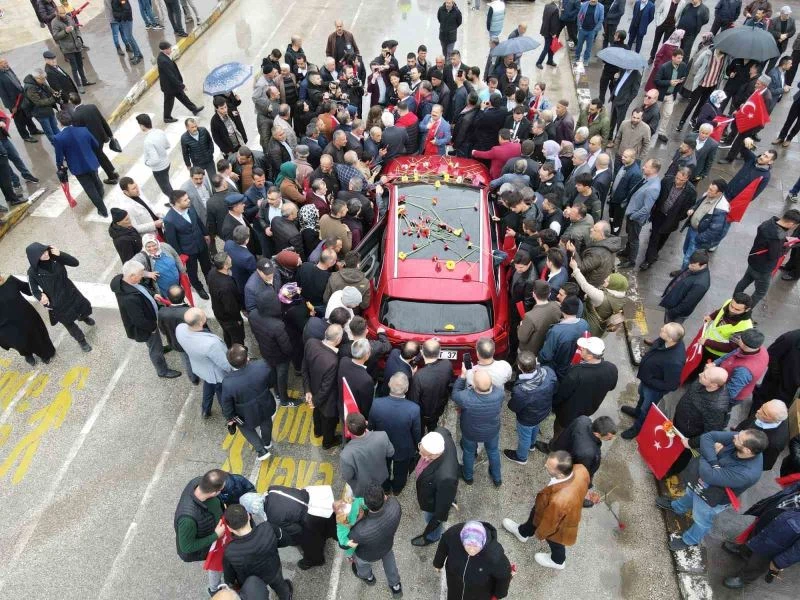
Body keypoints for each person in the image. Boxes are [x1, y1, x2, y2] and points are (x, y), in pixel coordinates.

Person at [657, 430, 768, 551]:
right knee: (690, 493)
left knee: (701, 519)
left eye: (738, 438)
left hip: (714, 496)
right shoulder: (744, 441)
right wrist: (713, 462)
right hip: (702, 481)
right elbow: (708, 436)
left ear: (747, 450)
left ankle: (690, 540)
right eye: (739, 434)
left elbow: (708, 476)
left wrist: (710, 454)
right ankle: (678, 507)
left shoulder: (747, 473)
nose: (734, 436)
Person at [502, 450, 591, 569]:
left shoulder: (558, 501)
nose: (545, 465)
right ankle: (523, 532)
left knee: (554, 538)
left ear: (560, 474)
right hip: (567, 511)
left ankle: (557, 561)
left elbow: (549, 524)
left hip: (556, 517)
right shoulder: (581, 469)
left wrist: (541, 534)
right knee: (535, 519)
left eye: (549, 467)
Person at [620, 322, 686, 439]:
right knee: (641, 398)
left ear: (670, 339)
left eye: (664, 330)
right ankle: (637, 412)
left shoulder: (675, 361)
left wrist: (650, 381)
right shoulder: (666, 341)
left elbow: (672, 385)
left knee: (646, 409)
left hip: (654, 389)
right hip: (646, 380)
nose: (661, 328)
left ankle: (637, 428)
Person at [26, 243, 93, 353]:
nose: (46, 254)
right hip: (56, 301)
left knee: (81, 308)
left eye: (45, 250)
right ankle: (81, 341)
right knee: (68, 323)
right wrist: (40, 296)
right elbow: (33, 290)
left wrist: (61, 254)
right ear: (34, 258)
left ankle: (84, 317)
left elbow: (75, 263)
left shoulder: (56, 257)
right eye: (42, 254)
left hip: (70, 291)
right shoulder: (32, 272)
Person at [221, 504, 292, 600]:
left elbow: (229, 578)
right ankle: (286, 597)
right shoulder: (267, 527)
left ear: (229, 528)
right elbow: (286, 540)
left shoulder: (229, 551)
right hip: (273, 570)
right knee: (281, 587)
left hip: (251, 583)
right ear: (248, 516)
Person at [722, 502, 800, 589]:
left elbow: (797, 552)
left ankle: (745, 578)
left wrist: (779, 563)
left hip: (776, 547)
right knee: (754, 541)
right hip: (777, 528)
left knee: (758, 563)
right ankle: (743, 552)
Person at [174, 470, 227, 595]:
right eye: (221, 490)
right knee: (218, 563)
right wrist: (216, 535)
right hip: (209, 541)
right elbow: (187, 547)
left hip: (213, 528)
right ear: (213, 492)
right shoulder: (188, 520)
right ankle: (214, 590)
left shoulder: (198, 483)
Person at [733, 210, 800, 308]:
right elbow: (774, 255)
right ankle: (745, 310)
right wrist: (787, 246)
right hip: (763, 269)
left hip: (753, 260)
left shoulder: (768, 223)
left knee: (745, 281)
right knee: (760, 292)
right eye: (795, 225)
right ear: (791, 223)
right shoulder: (777, 237)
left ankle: (734, 300)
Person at [552, 337, 618, 434]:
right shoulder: (612, 368)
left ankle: (555, 443)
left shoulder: (576, 373)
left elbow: (561, 395)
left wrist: (553, 405)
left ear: (590, 356)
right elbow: (612, 387)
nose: (581, 349)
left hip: (567, 414)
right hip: (589, 410)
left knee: (560, 432)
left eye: (584, 349)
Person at [220, 345, 275, 462]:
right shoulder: (262, 365)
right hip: (265, 403)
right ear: (247, 358)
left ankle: (261, 450)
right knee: (266, 421)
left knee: (245, 427)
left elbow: (227, 404)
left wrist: (230, 417)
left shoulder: (228, 382)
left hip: (244, 413)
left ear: (230, 363)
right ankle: (267, 442)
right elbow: (271, 382)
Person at [369, 373, 422, 495]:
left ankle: (386, 489)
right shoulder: (414, 409)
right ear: (407, 389)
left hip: (382, 445)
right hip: (403, 447)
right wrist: (417, 446)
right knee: (401, 471)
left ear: (389, 384)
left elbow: (371, 426)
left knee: (383, 468)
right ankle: (397, 489)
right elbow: (416, 432)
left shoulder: (376, 404)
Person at [433, 520, 512, 600]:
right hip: (454, 584)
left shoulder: (494, 555)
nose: (471, 550)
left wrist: (498, 595)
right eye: (468, 544)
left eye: (476, 546)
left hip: (478, 594)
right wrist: (438, 563)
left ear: (482, 541)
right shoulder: (453, 534)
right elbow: (443, 545)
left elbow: (504, 576)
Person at [347, 484, 403, 596]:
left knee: (362, 565)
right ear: (384, 497)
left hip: (367, 555)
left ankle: (369, 578)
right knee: (390, 562)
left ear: (366, 504)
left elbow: (348, 544)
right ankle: (395, 585)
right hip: (387, 545)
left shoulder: (359, 530)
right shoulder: (395, 505)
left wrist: (357, 519)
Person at [503, 351, 558, 465]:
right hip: (543, 411)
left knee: (524, 437)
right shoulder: (549, 372)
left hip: (527, 418)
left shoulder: (521, 390)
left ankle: (521, 457)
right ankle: (532, 445)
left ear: (519, 367)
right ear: (536, 362)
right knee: (535, 427)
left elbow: (514, 407)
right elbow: (555, 389)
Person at [177, 308, 232, 417]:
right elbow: (225, 364)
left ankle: (205, 410)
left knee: (208, 385)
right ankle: (228, 414)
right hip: (216, 374)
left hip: (201, 368)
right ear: (201, 322)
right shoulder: (211, 344)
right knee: (222, 393)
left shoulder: (180, 329)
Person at [452, 369, 504, 486]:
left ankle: (468, 477)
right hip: (492, 431)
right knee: (493, 451)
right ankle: (497, 478)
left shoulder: (465, 397)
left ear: (474, 384)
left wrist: (463, 376)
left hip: (470, 432)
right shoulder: (500, 394)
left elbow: (455, 393)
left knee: (469, 452)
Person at [640, 168, 697, 270]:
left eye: (681, 180)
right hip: (659, 214)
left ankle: (655, 253)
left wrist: (678, 217)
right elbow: (658, 195)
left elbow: (688, 207)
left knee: (663, 237)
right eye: (677, 178)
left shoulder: (691, 192)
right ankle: (648, 260)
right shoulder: (667, 181)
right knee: (654, 237)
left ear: (687, 179)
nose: (678, 181)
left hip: (672, 219)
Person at [53, 112, 108, 217]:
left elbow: (59, 156)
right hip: (91, 162)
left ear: (59, 122)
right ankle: (100, 195)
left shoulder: (58, 138)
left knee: (89, 189)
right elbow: (95, 144)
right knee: (96, 180)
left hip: (77, 167)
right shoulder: (83, 130)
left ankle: (103, 210)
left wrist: (59, 166)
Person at [411, 428, 459, 547]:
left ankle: (433, 537)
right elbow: (447, 432)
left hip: (432, 504)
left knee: (431, 518)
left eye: (426, 455)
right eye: (421, 451)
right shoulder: (441, 432)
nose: (422, 457)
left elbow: (441, 511)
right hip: (432, 488)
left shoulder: (446, 477)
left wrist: (436, 521)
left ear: (437, 454)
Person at [164, 189, 211, 300]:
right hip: (188, 251)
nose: (188, 200)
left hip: (201, 244)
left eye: (187, 198)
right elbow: (172, 240)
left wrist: (205, 234)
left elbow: (198, 221)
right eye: (185, 200)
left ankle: (210, 282)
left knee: (207, 266)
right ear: (176, 203)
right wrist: (180, 255)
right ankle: (199, 288)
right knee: (192, 272)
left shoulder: (190, 208)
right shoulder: (169, 220)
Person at [0, 273, 56, 366]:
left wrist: (41, 291)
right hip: (7, 324)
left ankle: (44, 353)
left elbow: (28, 289)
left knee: (37, 336)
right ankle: (27, 354)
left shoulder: (10, 280)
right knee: (18, 342)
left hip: (27, 316)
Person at [303, 324, 343, 449]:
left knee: (317, 414)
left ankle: (317, 432)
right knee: (329, 422)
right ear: (338, 340)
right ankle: (327, 443)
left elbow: (305, 367)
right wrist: (315, 402)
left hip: (313, 391)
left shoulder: (310, 343)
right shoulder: (333, 361)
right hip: (326, 400)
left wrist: (307, 390)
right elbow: (326, 388)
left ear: (326, 332)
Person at [676, 179, 729, 271]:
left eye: (711, 190)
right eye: (709, 188)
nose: (708, 191)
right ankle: (684, 270)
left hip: (698, 236)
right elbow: (697, 204)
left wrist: (698, 238)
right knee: (685, 250)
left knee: (689, 258)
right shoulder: (707, 195)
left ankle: (682, 274)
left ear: (719, 193)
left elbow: (714, 231)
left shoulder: (721, 209)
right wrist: (693, 209)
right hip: (692, 230)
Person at [618, 158, 662, 269]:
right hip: (632, 213)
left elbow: (646, 209)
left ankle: (631, 260)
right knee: (630, 235)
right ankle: (627, 251)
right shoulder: (648, 179)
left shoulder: (653, 188)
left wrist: (633, 216)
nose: (643, 167)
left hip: (636, 218)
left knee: (634, 239)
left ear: (653, 169)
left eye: (646, 166)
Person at [407, 339, 454, 434]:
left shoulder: (418, 376)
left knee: (419, 431)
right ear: (439, 352)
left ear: (422, 353)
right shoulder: (447, 364)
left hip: (423, 415)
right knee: (433, 427)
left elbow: (413, 401)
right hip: (438, 410)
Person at [570, 266, 628, 338]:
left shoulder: (601, 297)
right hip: (600, 326)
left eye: (608, 281)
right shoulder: (620, 296)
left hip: (588, 324)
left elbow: (584, 285)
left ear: (614, 285)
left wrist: (575, 269)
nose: (604, 280)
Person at [714, 328, 769, 406]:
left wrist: (713, 398)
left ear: (743, 344)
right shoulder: (759, 348)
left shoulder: (743, 371)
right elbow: (733, 353)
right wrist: (715, 363)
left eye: (740, 337)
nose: (738, 337)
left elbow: (729, 393)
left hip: (730, 396)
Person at [539, 296, 590, 379]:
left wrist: (538, 359)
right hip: (575, 366)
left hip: (558, 369)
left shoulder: (556, 331)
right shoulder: (584, 324)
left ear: (562, 310)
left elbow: (546, 356)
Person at [733, 400, 789, 471]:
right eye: (762, 407)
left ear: (774, 419)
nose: (758, 411)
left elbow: (766, 464)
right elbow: (752, 420)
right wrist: (739, 428)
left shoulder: (775, 443)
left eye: (765, 413)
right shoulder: (764, 413)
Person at [157, 285, 198, 384]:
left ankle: (193, 378)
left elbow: (162, 329)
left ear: (168, 297)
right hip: (192, 342)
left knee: (186, 360)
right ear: (183, 296)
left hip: (176, 342)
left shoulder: (162, 312)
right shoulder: (189, 311)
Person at [752, 329, 800, 411]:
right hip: (776, 383)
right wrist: (777, 376)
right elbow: (771, 355)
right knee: (763, 404)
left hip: (793, 389)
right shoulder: (791, 338)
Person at [657, 250, 711, 323]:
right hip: (672, 305)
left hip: (676, 314)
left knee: (670, 328)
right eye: (690, 263)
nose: (689, 266)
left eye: (693, 265)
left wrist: (671, 313)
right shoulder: (694, 267)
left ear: (703, 265)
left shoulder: (701, 284)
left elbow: (687, 304)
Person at [157, 40, 203, 123]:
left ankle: (194, 109)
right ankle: (167, 117)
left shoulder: (165, 56)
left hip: (173, 85)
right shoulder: (162, 60)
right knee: (169, 102)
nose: (171, 49)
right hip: (169, 86)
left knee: (183, 97)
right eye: (169, 48)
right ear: (165, 50)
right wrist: (181, 85)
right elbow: (170, 75)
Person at [51, 6, 93, 93]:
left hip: (77, 46)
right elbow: (55, 36)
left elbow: (76, 28)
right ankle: (79, 86)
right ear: (57, 13)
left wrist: (78, 37)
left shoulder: (69, 18)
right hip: (68, 49)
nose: (63, 15)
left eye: (64, 13)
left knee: (80, 64)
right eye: (61, 14)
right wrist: (65, 31)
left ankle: (84, 81)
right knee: (74, 68)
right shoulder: (54, 22)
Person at [207, 252, 244, 348]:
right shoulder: (226, 286)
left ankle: (229, 346)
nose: (231, 259)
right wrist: (237, 320)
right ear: (225, 266)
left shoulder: (212, 272)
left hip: (218, 311)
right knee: (237, 338)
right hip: (229, 318)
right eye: (229, 259)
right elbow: (231, 307)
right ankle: (238, 353)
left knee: (227, 333)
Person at [517, 280, 562, 355]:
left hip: (530, 353)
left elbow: (522, 338)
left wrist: (521, 326)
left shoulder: (529, 316)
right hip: (545, 348)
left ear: (533, 294)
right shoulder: (557, 306)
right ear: (549, 294)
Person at [653, 48, 689, 142]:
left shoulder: (683, 66)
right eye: (678, 58)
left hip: (671, 95)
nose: (680, 60)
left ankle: (661, 132)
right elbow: (656, 81)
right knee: (655, 114)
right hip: (660, 95)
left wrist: (681, 81)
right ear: (673, 57)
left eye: (681, 58)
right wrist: (669, 82)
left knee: (668, 114)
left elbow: (684, 76)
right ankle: (650, 129)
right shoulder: (664, 67)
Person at [110, 0, 144, 64]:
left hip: (126, 20)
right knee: (130, 38)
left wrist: (122, 18)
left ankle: (137, 56)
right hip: (122, 20)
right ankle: (139, 54)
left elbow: (127, 9)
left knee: (129, 38)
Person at [575, 0, 606, 65]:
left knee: (589, 47)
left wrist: (595, 29)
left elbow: (601, 19)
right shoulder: (584, 5)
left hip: (592, 31)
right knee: (579, 45)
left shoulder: (601, 7)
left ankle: (586, 60)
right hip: (582, 29)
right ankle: (576, 57)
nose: (593, 0)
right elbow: (579, 15)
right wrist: (579, 26)